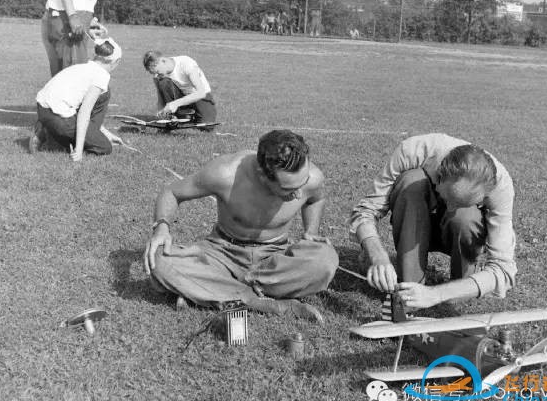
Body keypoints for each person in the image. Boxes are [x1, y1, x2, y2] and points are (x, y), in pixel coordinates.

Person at [144, 130, 339, 322]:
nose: (298, 194)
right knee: (159, 261)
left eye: (302, 183)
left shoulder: (312, 177)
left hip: (275, 257)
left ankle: (216, 292)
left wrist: (311, 231)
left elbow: (315, 199)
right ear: (262, 175)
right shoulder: (224, 173)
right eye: (288, 189)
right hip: (221, 253)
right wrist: (161, 227)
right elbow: (171, 192)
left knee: (325, 260)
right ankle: (257, 300)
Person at [349, 133, 516, 310]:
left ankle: (461, 283)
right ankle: (410, 284)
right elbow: (365, 212)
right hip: (414, 220)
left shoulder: (501, 187)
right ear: (439, 176)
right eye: (448, 198)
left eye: (463, 203)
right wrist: (377, 256)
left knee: (465, 217)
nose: (451, 209)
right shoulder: (413, 150)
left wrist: (436, 294)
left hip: (459, 231)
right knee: (411, 182)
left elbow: (503, 270)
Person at [29, 38, 123, 161]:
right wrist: (79, 150)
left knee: (104, 93)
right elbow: (84, 113)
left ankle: (45, 128)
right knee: (105, 148)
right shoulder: (101, 76)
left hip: (43, 110)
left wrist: (106, 133)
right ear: (113, 61)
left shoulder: (83, 66)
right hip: (59, 118)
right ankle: (48, 134)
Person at [142, 51, 217, 126]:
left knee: (207, 126)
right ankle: (175, 117)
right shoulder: (158, 76)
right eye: (153, 73)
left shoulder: (186, 64)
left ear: (163, 61)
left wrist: (175, 104)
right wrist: (160, 112)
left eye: (157, 72)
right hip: (182, 96)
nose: (156, 75)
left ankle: (188, 116)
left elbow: (201, 93)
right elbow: (160, 96)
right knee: (164, 82)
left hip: (200, 97)